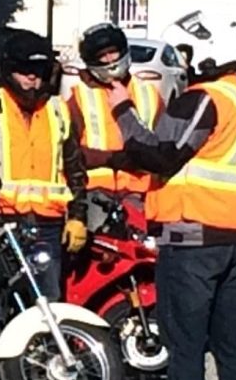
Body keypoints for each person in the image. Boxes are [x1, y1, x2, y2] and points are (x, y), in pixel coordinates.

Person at [110, 10, 236, 380]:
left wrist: (122, 106)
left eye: (183, 53)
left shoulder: (202, 100)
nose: (180, 62)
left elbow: (160, 155)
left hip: (191, 238)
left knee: (184, 342)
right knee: (230, 342)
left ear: (204, 53)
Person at [0, 27, 90, 298]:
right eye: (25, 69)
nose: (32, 77)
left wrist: (78, 217)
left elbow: (75, 169)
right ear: (9, 69)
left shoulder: (59, 111)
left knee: (47, 301)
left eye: (38, 70)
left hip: (48, 227)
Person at [67, 22, 170, 227]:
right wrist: (112, 159)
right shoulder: (79, 97)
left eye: (113, 53)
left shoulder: (149, 94)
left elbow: (166, 149)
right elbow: (69, 151)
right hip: (94, 195)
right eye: (102, 56)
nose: (110, 61)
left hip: (140, 195)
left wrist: (138, 159)